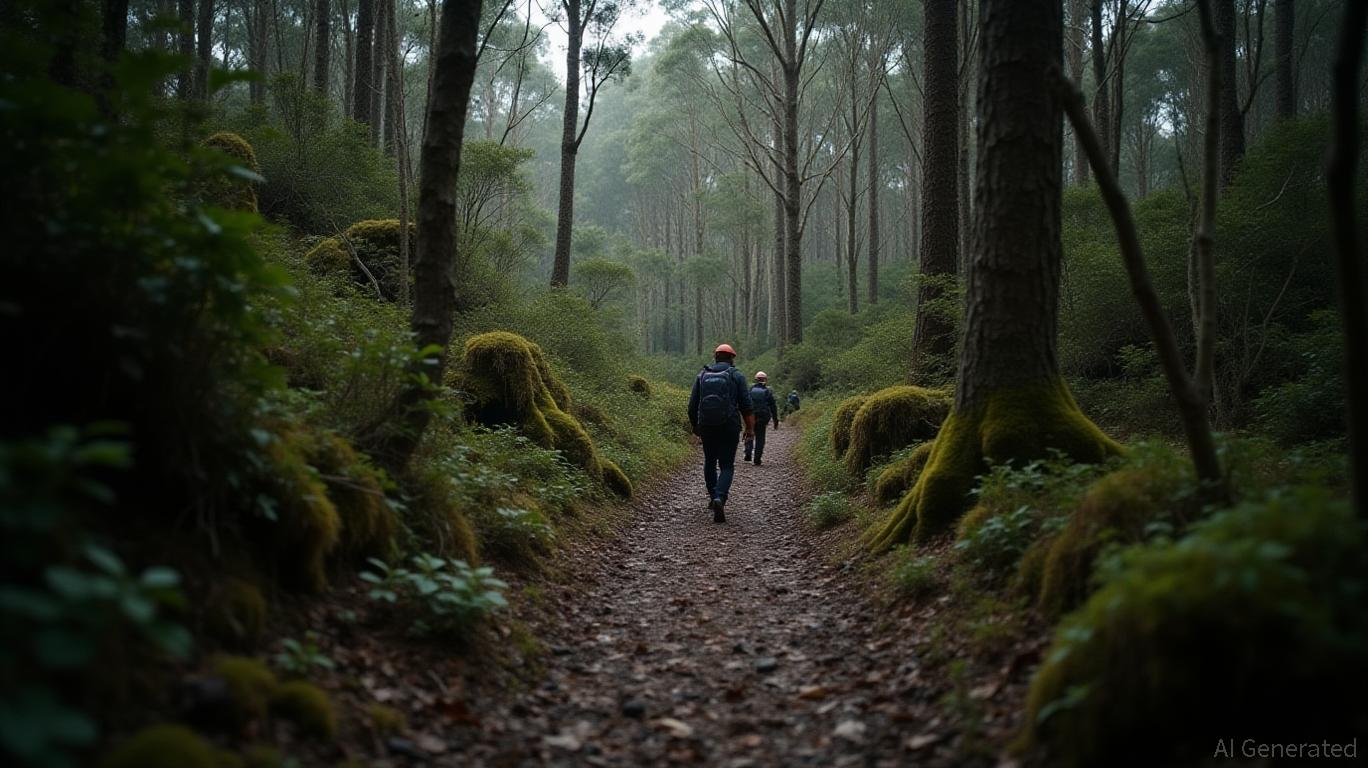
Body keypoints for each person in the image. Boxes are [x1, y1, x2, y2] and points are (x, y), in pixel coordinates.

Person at [687, 343, 754, 523]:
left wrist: (696, 426)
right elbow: (747, 406)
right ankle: (720, 498)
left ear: (715, 357)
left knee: (710, 460)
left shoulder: (702, 375)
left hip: (706, 425)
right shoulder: (736, 375)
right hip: (729, 425)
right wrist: (750, 428)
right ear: (731, 358)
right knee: (726, 464)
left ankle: (712, 496)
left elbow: (692, 406)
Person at [744, 371, 779, 466]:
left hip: (751, 415)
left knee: (749, 432)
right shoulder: (768, 391)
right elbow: (773, 407)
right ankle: (757, 459)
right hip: (763, 417)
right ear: (765, 380)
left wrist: (744, 416)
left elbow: (745, 403)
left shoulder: (750, 390)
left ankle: (748, 452)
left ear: (756, 380)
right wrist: (775, 420)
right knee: (760, 438)